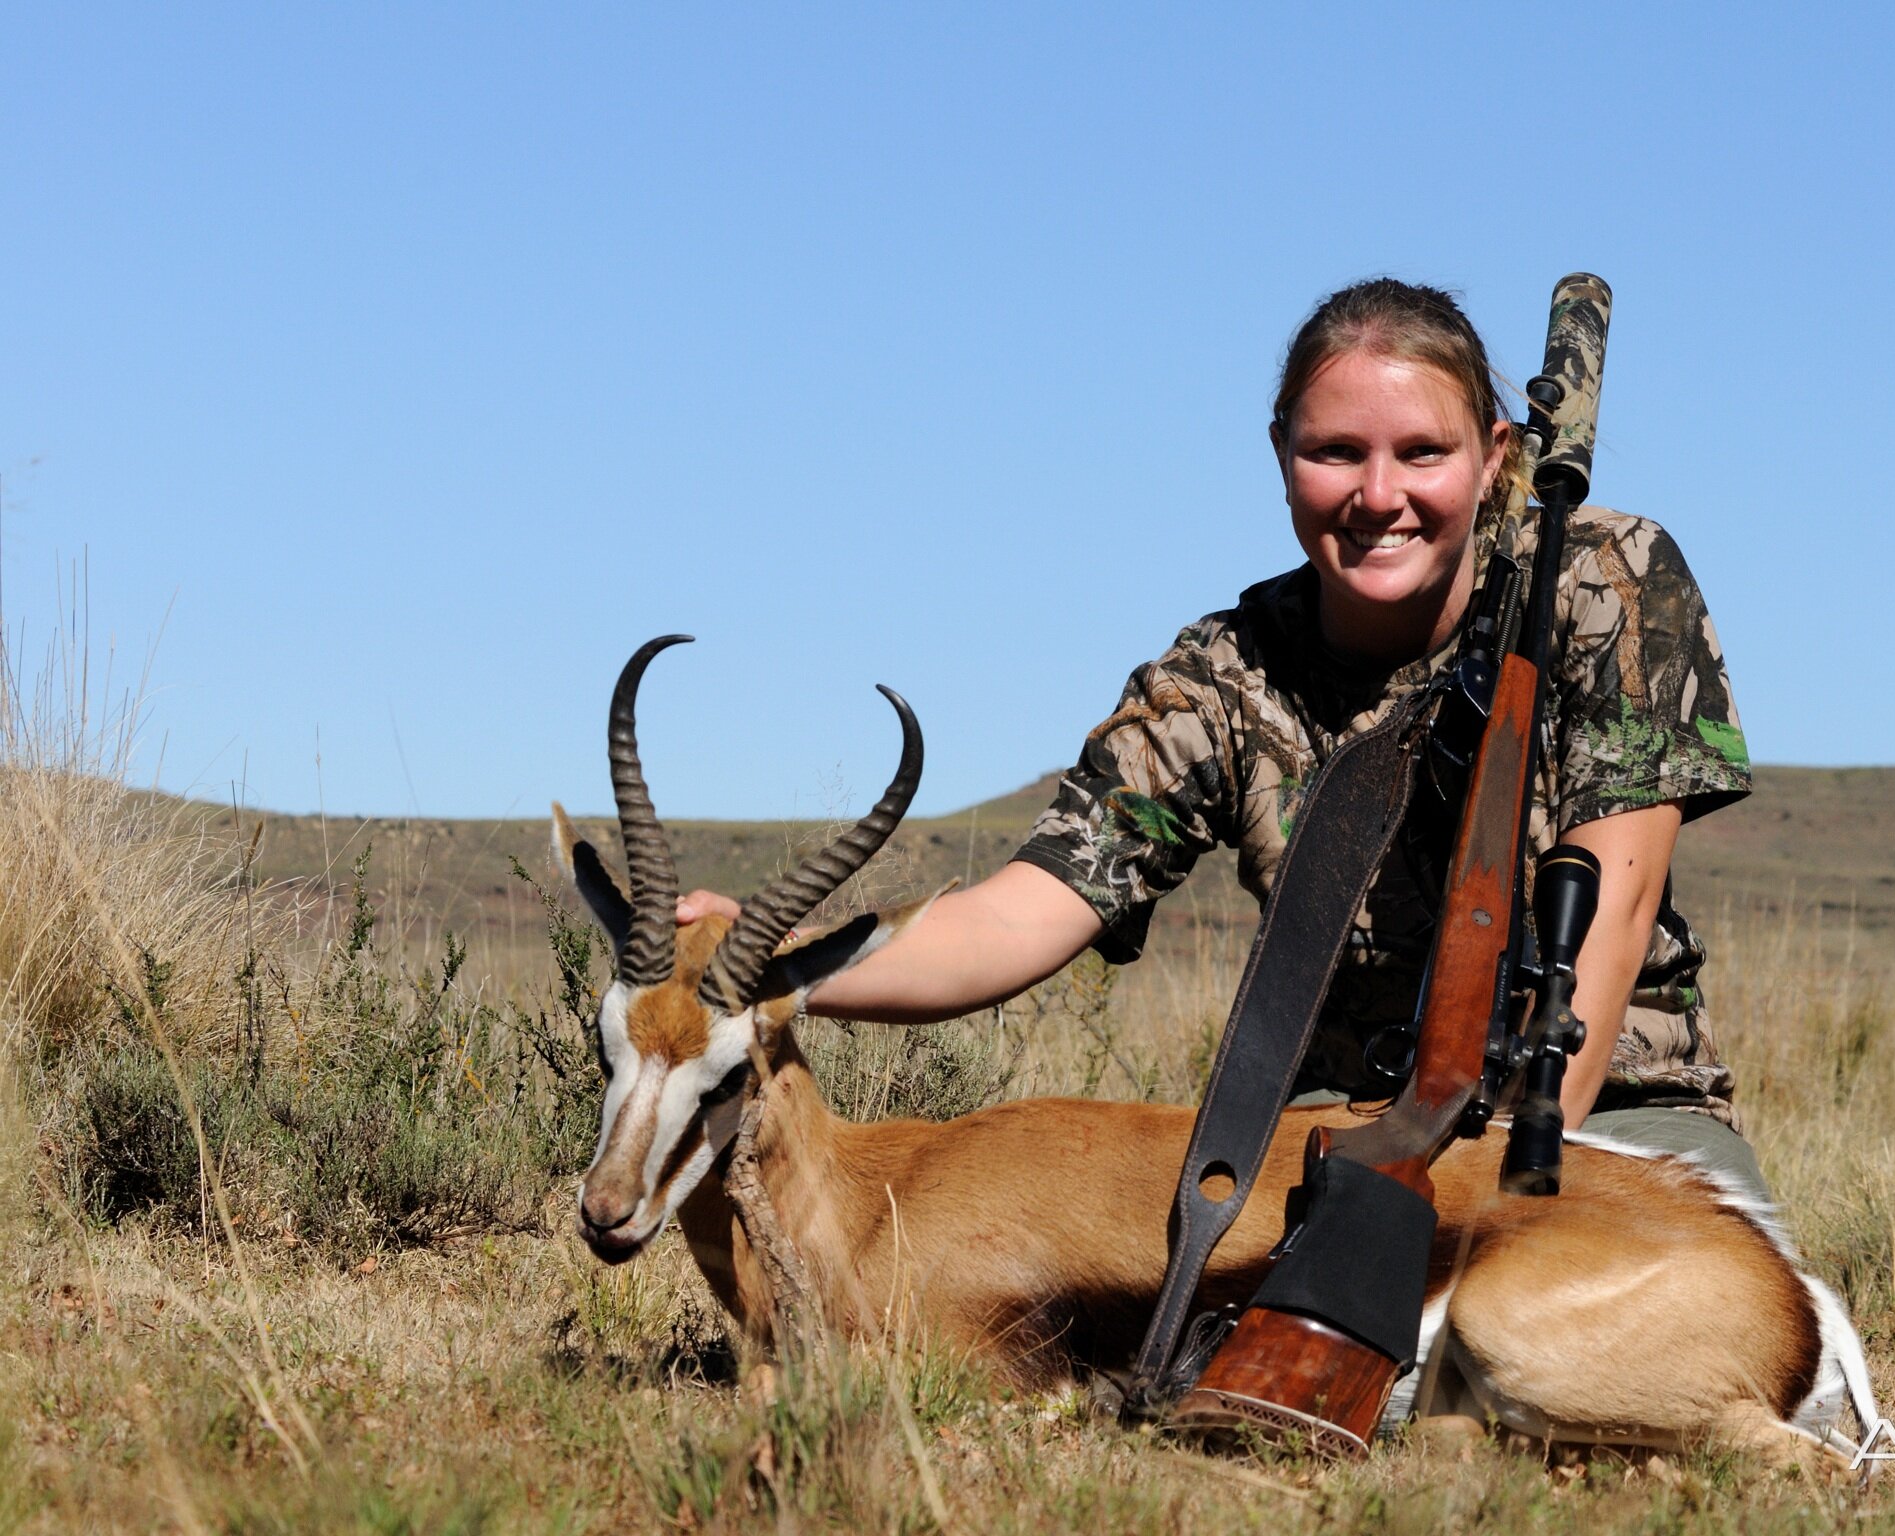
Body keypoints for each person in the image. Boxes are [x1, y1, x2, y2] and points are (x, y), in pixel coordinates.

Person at [677, 278, 1763, 1198]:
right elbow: (1015, 915)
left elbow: (1610, 910)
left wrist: (1503, 1191)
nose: (1377, 495)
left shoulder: (1605, 578)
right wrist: (770, 963)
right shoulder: (1214, 679)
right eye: (1335, 452)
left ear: (1492, 457)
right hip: (1339, 1131)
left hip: (1609, 1109)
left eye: (1420, 453)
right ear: (1280, 454)